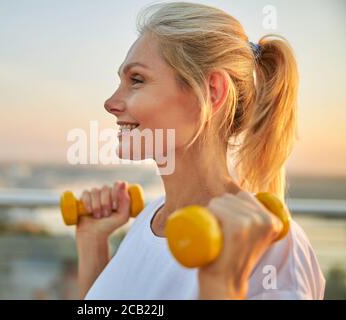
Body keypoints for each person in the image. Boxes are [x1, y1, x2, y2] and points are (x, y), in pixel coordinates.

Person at [75, 2, 325, 299]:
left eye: (137, 80)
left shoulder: (273, 245)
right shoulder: (148, 221)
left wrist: (221, 284)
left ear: (212, 92)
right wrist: (92, 243)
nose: (111, 103)